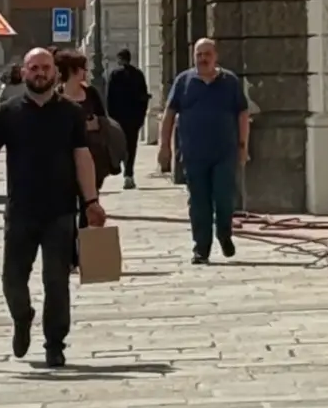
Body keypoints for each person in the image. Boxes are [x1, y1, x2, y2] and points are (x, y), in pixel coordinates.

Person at [0, 43, 106, 369]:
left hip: (61, 211)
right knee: (12, 279)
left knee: (56, 282)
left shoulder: (70, 113)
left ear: (55, 72)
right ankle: (22, 316)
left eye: (46, 68)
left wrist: (91, 201)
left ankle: (55, 344)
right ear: (24, 72)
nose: (40, 73)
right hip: (20, 211)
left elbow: (82, 158)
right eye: (34, 68)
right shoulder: (8, 112)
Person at [158, 35, 249, 263]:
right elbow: (169, 115)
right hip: (194, 154)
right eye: (198, 54)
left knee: (224, 198)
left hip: (224, 153)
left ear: (215, 56)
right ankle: (201, 248)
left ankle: (224, 234)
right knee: (199, 202)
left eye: (207, 54)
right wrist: (164, 146)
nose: (202, 58)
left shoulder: (230, 81)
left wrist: (243, 146)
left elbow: (242, 114)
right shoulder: (183, 81)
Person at [54, 49, 126, 197]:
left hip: (93, 156)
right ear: (72, 70)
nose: (85, 72)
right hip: (64, 158)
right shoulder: (55, 96)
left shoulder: (91, 93)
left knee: (90, 196)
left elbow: (103, 119)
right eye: (82, 68)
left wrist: (97, 123)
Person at [104, 49, 151, 189]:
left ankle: (121, 167)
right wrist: (141, 116)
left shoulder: (114, 75)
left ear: (119, 59)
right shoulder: (138, 75)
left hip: (118, 118)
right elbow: (144, 97)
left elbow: (109, 98)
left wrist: (110, 117)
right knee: (131, 145)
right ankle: (129, 173)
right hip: (133, 118)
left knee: (119, 145)